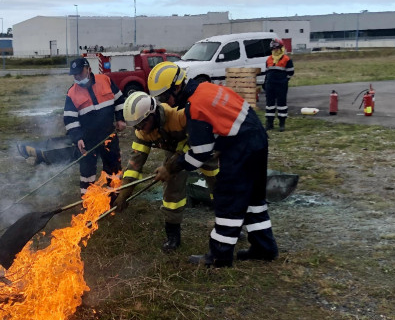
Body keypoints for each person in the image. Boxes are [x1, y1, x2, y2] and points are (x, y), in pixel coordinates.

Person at [147, 61, 278, 268]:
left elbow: (200, 153)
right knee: (253, 198)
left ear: (177, 87)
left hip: (241, 146)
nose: (166, 103)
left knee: (228, 201)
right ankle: (264, 247)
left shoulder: (194, 106)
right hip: (256, 138)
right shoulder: (204, 89)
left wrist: (170, 168)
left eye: (165, 97)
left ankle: (219, 256)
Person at [114, 91, 218, 252]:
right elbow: (134, 165)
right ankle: (173, 236)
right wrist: (124, 193)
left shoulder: (177, 116)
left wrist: (170, 166)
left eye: (142, 124)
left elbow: (197, 140)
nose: (141, 129)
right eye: (136, 126)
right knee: (171, 190)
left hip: (199, 147)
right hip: (175, 150)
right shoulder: (142, 131)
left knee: (218, 183)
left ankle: (228, 223)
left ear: (152, 115)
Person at [63, 57, 125, 196]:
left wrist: (120, 119)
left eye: (80, 72)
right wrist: (77, 138)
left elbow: (120, 100)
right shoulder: (72, 93)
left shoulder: (105, 80)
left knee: (113, 166)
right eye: (74, 74)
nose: (77, 77)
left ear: (89, 69)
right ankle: (87, 199)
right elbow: (70, 120)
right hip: (87, 140)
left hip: (109, 135)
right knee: (87, 172)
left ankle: (113, 195)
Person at [264, 39, 294, 131]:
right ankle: (270, 123)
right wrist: (265, 83)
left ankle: (282, 123)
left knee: (282, 104)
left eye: (277, 48)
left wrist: (283, 81)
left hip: (281, 85)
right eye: (273, 48)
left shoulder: (286, 59)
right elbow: (267, 72)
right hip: (270, 85)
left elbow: (290, 73)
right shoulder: (269, 59)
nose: (275, 50)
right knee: (270, 105)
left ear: (281, 48)